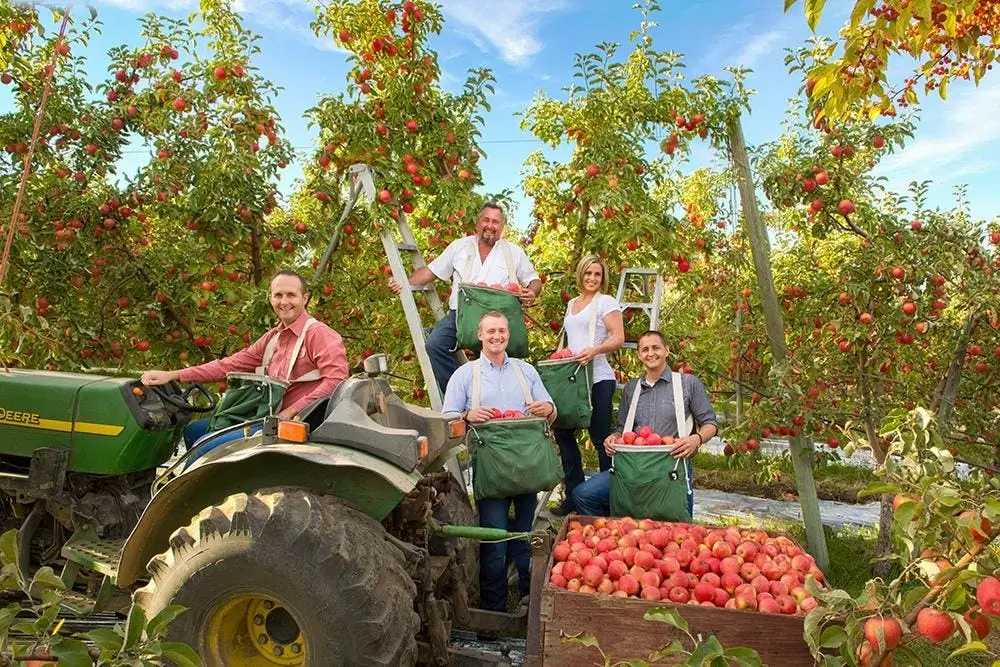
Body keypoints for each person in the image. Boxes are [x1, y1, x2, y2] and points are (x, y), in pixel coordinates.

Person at [140, 270, 349, 455]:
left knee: (205, 445)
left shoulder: (319, 335)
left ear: (305, 297)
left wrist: (292, 410)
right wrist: (174, 375)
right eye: (278, 295)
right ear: (270, 299)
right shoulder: (272, 338)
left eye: (291, 295)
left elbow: (336, 380)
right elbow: (228, 365)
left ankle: (183, 497)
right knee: (193, 431)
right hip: (266, 417)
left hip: (294, 424)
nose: (284, 301)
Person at [442, 311, 555, 618]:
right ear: (479, 335)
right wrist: (467, 416)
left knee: (523, 536)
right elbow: (447, 417)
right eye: (490, 331)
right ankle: (493, 610)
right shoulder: (466, 375)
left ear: (509, 334)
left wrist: (547, 407)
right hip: (491, 467)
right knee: (493, 539)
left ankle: (527, 605)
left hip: (525, 465)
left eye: (502, 331)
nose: (497, 336)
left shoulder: (525, 371)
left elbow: (550, 410)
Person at [390, 202, 542, 396]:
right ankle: (461, 395)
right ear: (478, 223)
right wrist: (403, 282)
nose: (490, 225)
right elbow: (431, 272)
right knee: (435, 345)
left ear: (502, 227)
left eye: (496, 222)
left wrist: (532, 291)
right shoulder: (459, 247)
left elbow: (534, 280)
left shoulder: (513, 252)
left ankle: (503, 403)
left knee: (505, 361)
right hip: (461, 317)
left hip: (498, 319)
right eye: (486, 220)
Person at [572, 330, 718, 518]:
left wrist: (695, 439)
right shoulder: (632, 388)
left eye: (656, 348)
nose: (651, 353)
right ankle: (610, 531)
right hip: (633, 468)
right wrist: (613, 438)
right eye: (645, 349)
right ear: (639, 355)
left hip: (670, 468)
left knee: (677, 524)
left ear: (667, 350)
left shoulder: (687, 384)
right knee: (583, 495)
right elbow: (621, 429)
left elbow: (710, 424)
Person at [552, 255, 624, 515]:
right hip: (573, 380)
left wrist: (595, 350)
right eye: (588, 273)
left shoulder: (606, 302)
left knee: (601, 437)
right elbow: (571, 339)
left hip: (597, 379)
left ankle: (607, 496)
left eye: (597, 274)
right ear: (580, 275)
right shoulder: (572, 303)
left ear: (603, 278)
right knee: (563, 434)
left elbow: (618, 337)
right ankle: (574, 492)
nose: (593, 278)